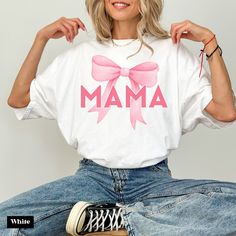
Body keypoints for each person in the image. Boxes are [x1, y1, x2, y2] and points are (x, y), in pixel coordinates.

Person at [2, 0, 236, 235]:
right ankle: (133, 220)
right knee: (11, 221)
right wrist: (40, 39)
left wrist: (210, 42)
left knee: (231, 203)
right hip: (91, 181)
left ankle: (123, 219)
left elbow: (225, 111)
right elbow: (19, 99)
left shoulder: (172, 53)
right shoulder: (79, 57)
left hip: (153, 183)